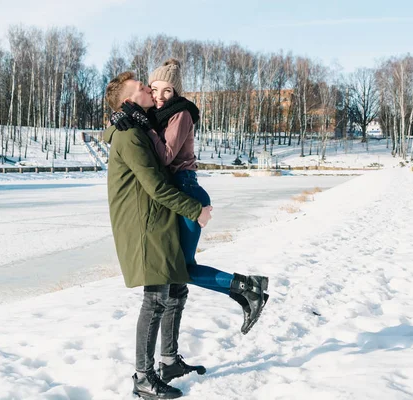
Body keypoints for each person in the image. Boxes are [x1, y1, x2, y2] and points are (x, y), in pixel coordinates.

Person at [110, 59, 270, 347]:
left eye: (167, 91)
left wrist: (141, 123)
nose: (158, 96)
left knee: (180, 269)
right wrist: (124, 118)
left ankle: (248, 288)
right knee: (178, 275)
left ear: (177, 93)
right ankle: (171, 358)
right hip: (179, 192)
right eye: (153, 88)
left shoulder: (180, 113)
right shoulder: (156, 116)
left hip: (186, 189)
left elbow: (165, 156)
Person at [104, 71, 212, 399]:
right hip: (144, 227)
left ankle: (169, 360)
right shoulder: (130, 135)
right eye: (143, 88)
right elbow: (155, 185)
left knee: (176, 289)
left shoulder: (138, 125)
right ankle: (143, 376)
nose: (150, 91)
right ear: (129, 99)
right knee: (154, 300)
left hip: (155, 222)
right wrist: (196, 209)